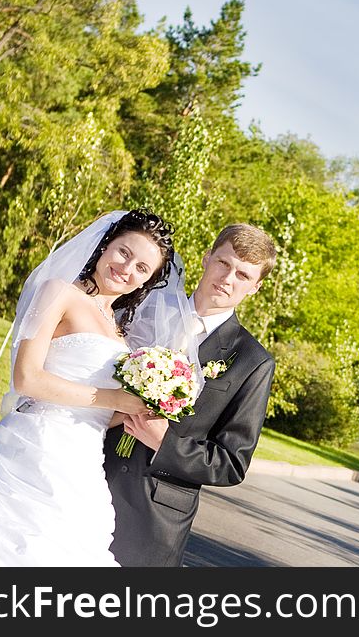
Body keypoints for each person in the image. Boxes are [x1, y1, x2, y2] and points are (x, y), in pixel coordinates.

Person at [0, 209, 179, 566]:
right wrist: (113, 397)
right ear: (106, 243)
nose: (127, 269)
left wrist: (140, 407)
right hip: (33, 447)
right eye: (124, 252)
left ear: (146, 282)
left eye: (142, 268)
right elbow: (27, 378)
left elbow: (102, 412)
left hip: (82, 465)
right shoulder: (60, 292)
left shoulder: (120, 333)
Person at [103, 223, 277, 567]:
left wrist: (164, 442)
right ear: (206, 258)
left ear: (255, 288)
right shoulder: (139, 311)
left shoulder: (253, 361)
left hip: (154, 517)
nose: (228, 278)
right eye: (224, 263)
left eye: (243, 275)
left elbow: (231, 463)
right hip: (88, 470)